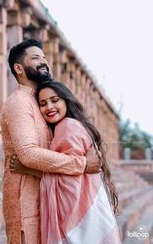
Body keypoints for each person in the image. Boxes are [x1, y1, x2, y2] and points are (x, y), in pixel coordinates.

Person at [0, 39, 102, 244]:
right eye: (36, 58)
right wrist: (82, 164)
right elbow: (28, 154)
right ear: (18, 68)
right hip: (26, 204)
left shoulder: (41, 102)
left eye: (44, 57)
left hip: (49, 199)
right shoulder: (19, 102)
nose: (44, 62)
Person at [11, 80, 121, 244]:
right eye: (43, 104)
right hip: (94, 218)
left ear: (66, 101)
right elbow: (71, 174)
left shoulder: (67, 127)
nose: (49, 107)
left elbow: (69, 186)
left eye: (55, 100)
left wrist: (30, 169)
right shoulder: (73, 126)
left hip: (81, 225)